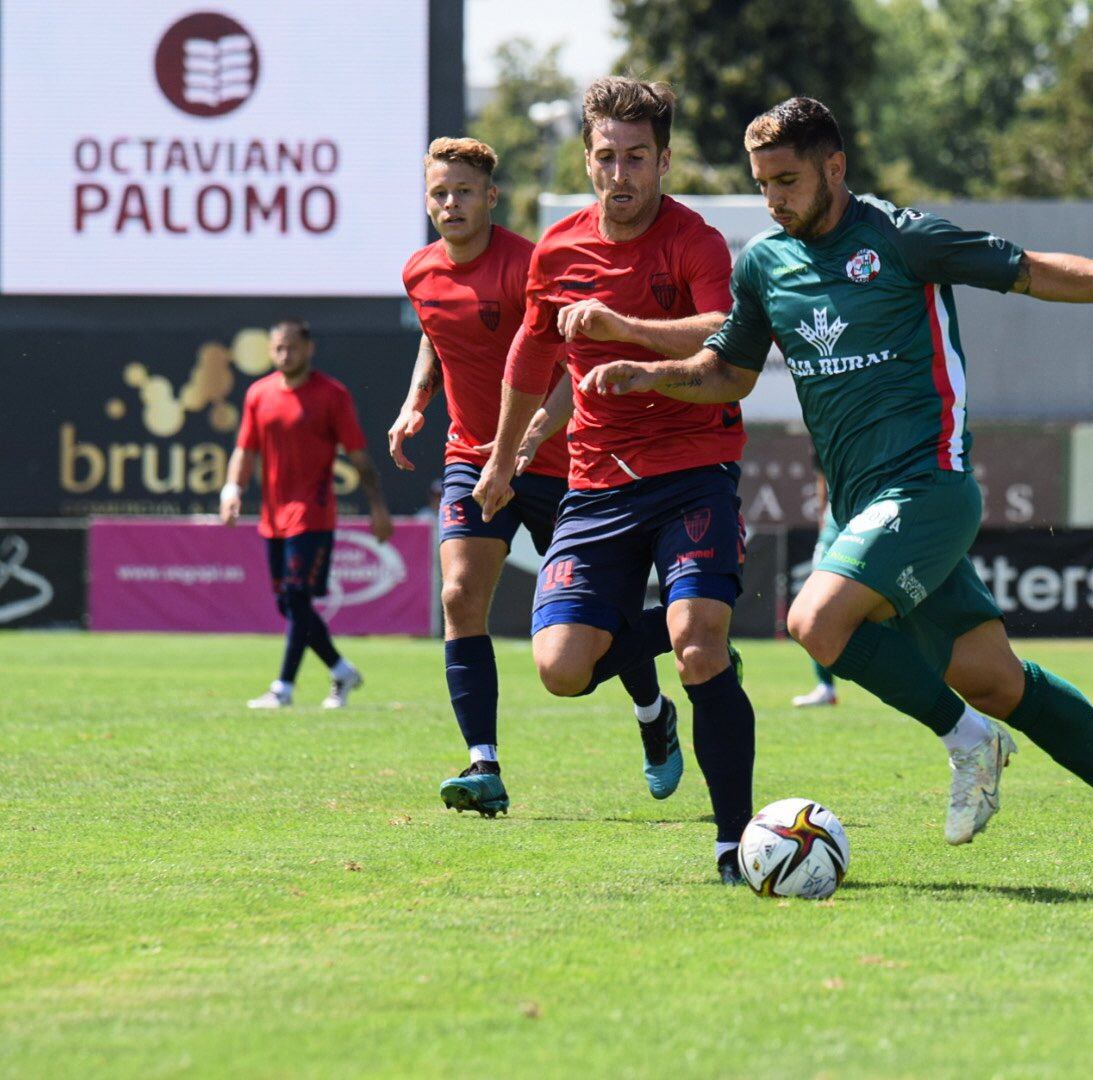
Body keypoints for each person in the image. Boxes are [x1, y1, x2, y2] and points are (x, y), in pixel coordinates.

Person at [579, 97, 1093, 896]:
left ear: (834, 168)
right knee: (995, 679)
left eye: (788, 179)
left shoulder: (900, 237)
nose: (775, 199)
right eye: (761, 185)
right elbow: (729, 370)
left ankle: (968, 743)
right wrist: (652, 373)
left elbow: (1030, 270)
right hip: (865, 510)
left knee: (814, 620)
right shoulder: (765, 264)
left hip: (931, 486)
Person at [474, 77, 757, 884]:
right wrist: (501, 462)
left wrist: (626, 335)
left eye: (638, 158)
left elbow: (725, 335)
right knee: (561, 669)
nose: (621, 175)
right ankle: (660, 689)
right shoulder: (558, 251)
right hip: (596, 485)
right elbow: (529, 361)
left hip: (693, 468)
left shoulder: (694, 242)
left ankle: (734, 843)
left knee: (701, 647)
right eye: (607, 157)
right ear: (588, 159)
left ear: (664, 160)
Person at [395, 137, 672, 820]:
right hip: (471, 459)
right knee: (460, 594)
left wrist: (525, 440)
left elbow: (574, 366)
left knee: (601, 616)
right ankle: (483, 764)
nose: (450, 203)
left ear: (491, 197)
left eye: (463, 191)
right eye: (439, 193)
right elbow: (435, 333)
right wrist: (415, 404)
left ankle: (652, 710)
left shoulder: (531, 265)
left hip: (562, 464)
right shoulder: (419, 272)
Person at [221, 319, 394, 710]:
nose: (285, 355)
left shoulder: (331, 395)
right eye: (278, 348)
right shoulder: (258, 394)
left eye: (292, 347)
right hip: (273, 516)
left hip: (312, 514)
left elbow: (360, 457)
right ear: (270, 350)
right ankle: (341, 670)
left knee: (297, 597)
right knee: (289, 604)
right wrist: (232, 489)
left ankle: (283, 687)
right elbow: (244, 450)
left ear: (308, 349)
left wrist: (378, 507)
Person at [792, 448, 837, 707]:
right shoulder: (822, 431)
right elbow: (823, 477)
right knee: (811, 607)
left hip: (871, 514)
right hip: (835, 523)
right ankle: (825, 685)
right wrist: (823, 520)